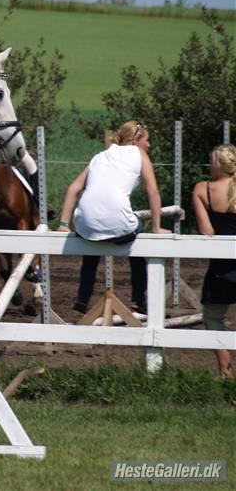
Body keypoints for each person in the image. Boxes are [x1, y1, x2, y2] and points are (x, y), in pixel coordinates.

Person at [56, 121, 170, 314]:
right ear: (135, 141)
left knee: (92, 246)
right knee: (138, 247)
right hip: (118, 222)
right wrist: (157, 227)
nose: (149, 145)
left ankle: (83, 298)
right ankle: (138, 300)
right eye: (147, 141)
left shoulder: (101, 155)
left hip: (84, 223)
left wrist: (63, 224)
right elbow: (153, 191)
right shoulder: (139, 154)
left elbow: (73, 189)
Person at [192, 144, 236, 377]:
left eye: (211, 162)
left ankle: (225, 372)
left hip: (221, 267)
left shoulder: (203, 189)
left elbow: (206, 229)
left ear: (218, 165)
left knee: (213, 318)